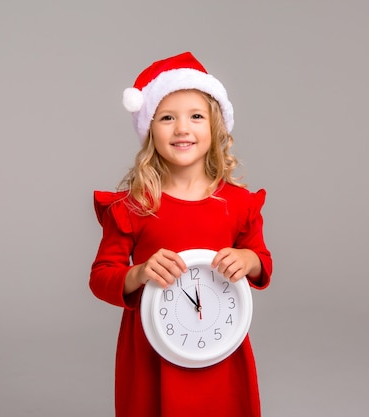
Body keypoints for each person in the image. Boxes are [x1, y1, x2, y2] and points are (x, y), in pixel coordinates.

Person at [89, 51, 273, 417]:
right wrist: (139, 273)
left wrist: (246, 259)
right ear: (149, 129)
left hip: (220, 341)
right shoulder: (133, 206)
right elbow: (101, 276)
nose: (182, 129)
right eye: (168, 117)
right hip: (152, 349)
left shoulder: (238, 203)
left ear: (216, 127)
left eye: (196, 116)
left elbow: (262, 261)